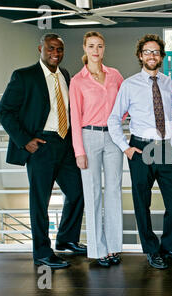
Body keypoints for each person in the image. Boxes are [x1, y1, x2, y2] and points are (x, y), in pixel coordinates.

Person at [0, 33, 86, 269]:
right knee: (40, 202)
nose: (55, 53)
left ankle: (66, 239)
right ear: (40, 48)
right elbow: (4, 111)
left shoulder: (65, 75)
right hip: (41, 146)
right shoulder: (24, 76)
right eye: (50, 49)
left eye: (59, 50)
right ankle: (42, 254)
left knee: (77, 193)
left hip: (65, 145)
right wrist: (25, 140)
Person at [108, 34, 172, 269]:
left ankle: (170, 248)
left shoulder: (167, 82)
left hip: (164, 147)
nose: (152, 56)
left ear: (162, 56)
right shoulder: (129, 84)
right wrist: (125, 147)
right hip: (141, 147)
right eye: (147, 51)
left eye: (156, 52)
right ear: (140, 56)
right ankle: (151, 250)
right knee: (142, 202)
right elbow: (114, 119)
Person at [69, 31, 124, 268]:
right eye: (91, 46)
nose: (95, 51)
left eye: (99, 46)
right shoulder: (77, 81)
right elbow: (74, 117)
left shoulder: (115, 76)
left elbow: (125, 104)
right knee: (92, 194)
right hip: (88, 136)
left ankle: (113, 247)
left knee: (113, 191)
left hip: (113, 137)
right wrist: (78, 151)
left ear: (104, 49)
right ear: (84, 48)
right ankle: (97, 249)